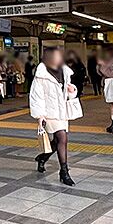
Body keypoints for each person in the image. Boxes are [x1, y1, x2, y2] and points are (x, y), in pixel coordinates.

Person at [31, 48, 79, 186]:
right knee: (62, 138)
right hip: (49, 113)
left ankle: (42, 158)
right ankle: (64, 172)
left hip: (61, 112)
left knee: (57, 142)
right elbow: (36, 96)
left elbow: (68, 91)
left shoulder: (64, 71)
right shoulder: (41, 74)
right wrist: (40, 115)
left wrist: (72, 91)